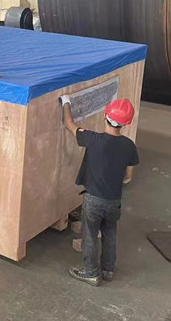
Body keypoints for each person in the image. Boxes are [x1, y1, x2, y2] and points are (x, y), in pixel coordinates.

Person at [60, 96, 139, 286]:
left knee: (90, 235)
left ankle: (90, 272)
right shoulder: (129, 146)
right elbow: (128, 176)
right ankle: (108, 270)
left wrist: (66, 103)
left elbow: (69, 124)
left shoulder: (93, 139)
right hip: (114, 200)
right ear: (126, 123)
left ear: (105, 116)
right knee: (110, 233)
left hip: (93, 200)